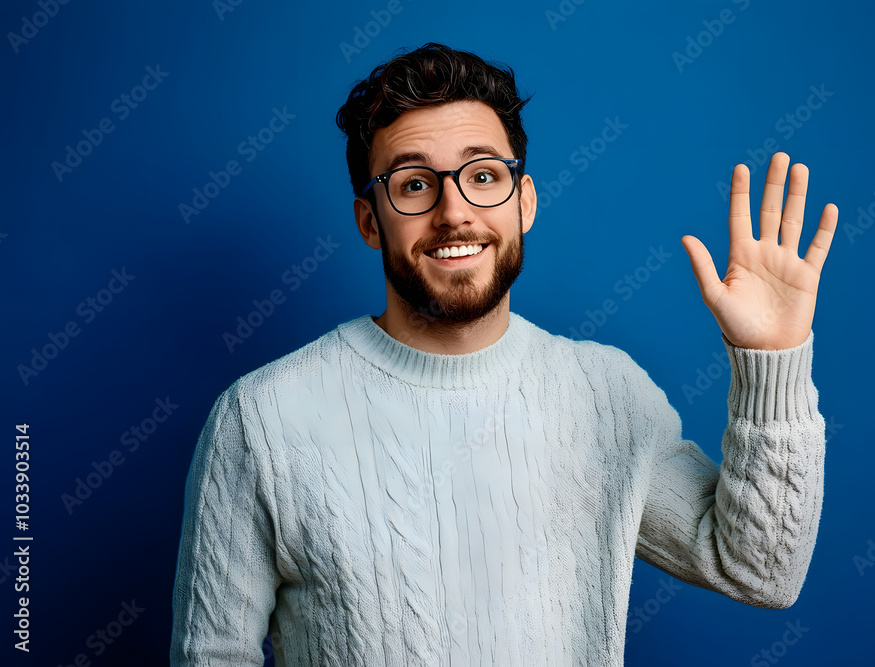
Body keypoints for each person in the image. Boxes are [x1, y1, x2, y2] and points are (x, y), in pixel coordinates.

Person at [170, 42, 838, 665]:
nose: (454, 212)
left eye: (483, 175)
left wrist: (771, 360)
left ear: (524, 202)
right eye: (412, 184)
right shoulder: (261, 420)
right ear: (370, 221)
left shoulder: (607, 393)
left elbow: (761, 569)